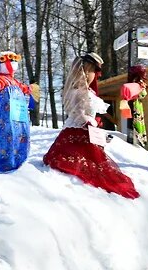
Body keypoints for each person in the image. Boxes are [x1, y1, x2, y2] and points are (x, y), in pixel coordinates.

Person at [42, 53, 139, 199]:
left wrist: (94, 123)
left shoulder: (87, 92)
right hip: (79, 134)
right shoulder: (79, 92)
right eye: (95, 71)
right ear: (86, 71)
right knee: (92, 168)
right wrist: (91, 122)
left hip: (84, 132)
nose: (97, 75)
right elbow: (79, 114)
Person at [119, 65, 148, 148]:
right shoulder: (137, 84)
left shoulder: (138, 84)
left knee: (130, 125)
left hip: (132, 107)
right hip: (133, 108)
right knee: (132, 126)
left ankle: (134, 141)